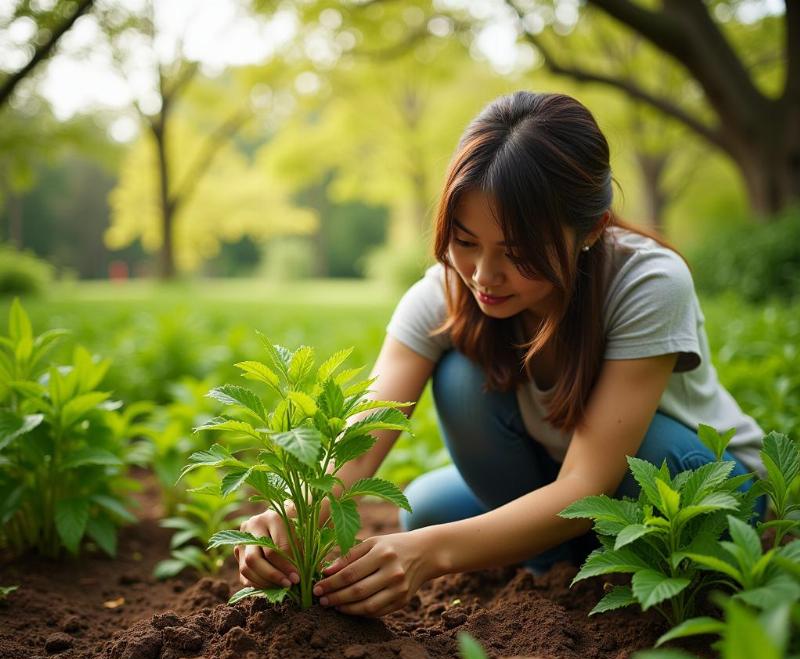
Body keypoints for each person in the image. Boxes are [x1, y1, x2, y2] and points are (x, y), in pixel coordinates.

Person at [235, 91, 766, 618]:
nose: (484, 276)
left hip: (698, 485)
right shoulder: (446, 292)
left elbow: (589, 483)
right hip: (571, 485)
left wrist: (430, 556)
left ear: (592, 229)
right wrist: (292, 512)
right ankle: (563, 569)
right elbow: (359, 437)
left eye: (516, 253)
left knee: (655, 455)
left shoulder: (647, 282)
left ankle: (624, 569)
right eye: (466, 242)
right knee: (429, 500)